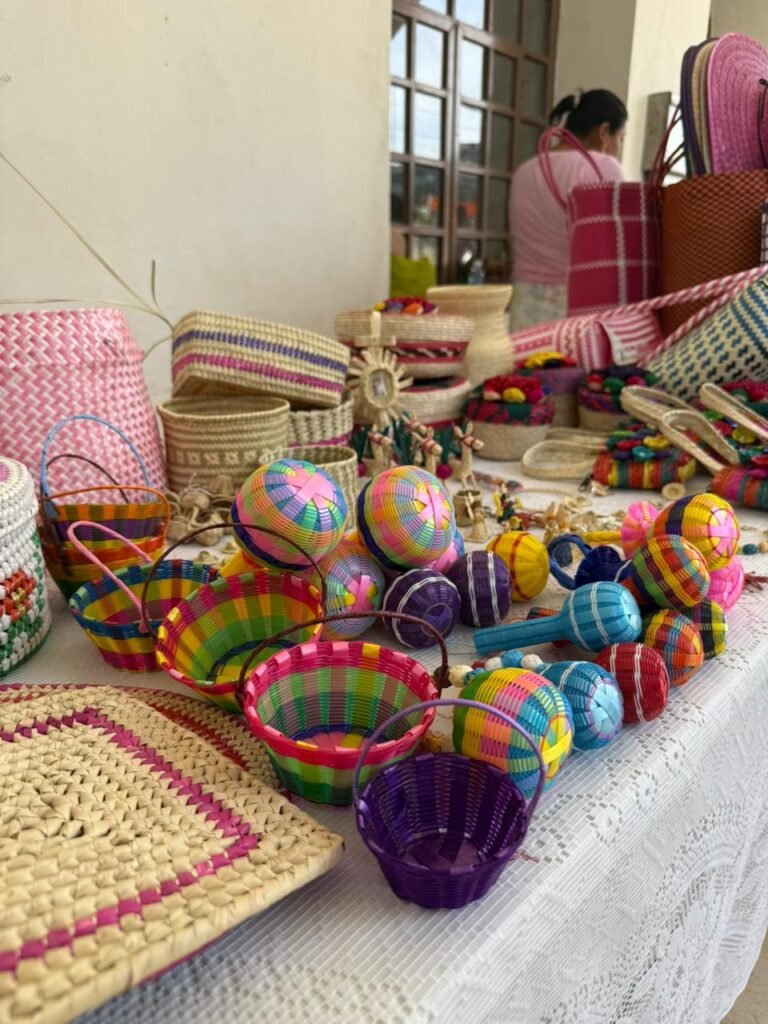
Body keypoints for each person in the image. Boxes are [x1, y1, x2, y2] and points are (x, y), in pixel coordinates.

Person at [508, 89, 628, 330]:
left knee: (525, 357)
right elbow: (618, 248)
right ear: (604, 132)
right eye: (621, 138)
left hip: (524, 304)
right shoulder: (604, 168)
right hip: (577, 308)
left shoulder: (524, 171)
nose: (619, 147)